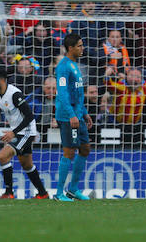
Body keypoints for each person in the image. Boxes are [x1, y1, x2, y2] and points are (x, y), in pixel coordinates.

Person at [0, 67, 49, 199]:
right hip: (18, 132)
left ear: (2, 80)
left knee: (3, 156)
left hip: (27, 131)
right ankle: (43, 193)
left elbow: (29, 116)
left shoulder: (14, 94)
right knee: (27, 164)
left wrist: (13, 133)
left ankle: (8, 193)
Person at [53, 33, 93, 201]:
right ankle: (59, 193)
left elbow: (77, 93)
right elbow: (62, 93)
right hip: (68, 116)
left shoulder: (75, 65)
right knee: (69, 151)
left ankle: (73, 189)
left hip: (78, 114)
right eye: (79, 46)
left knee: (85, 149)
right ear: (70, 48)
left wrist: (84, 113)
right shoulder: (63, 67)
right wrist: (71, 115)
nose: (82, 48)